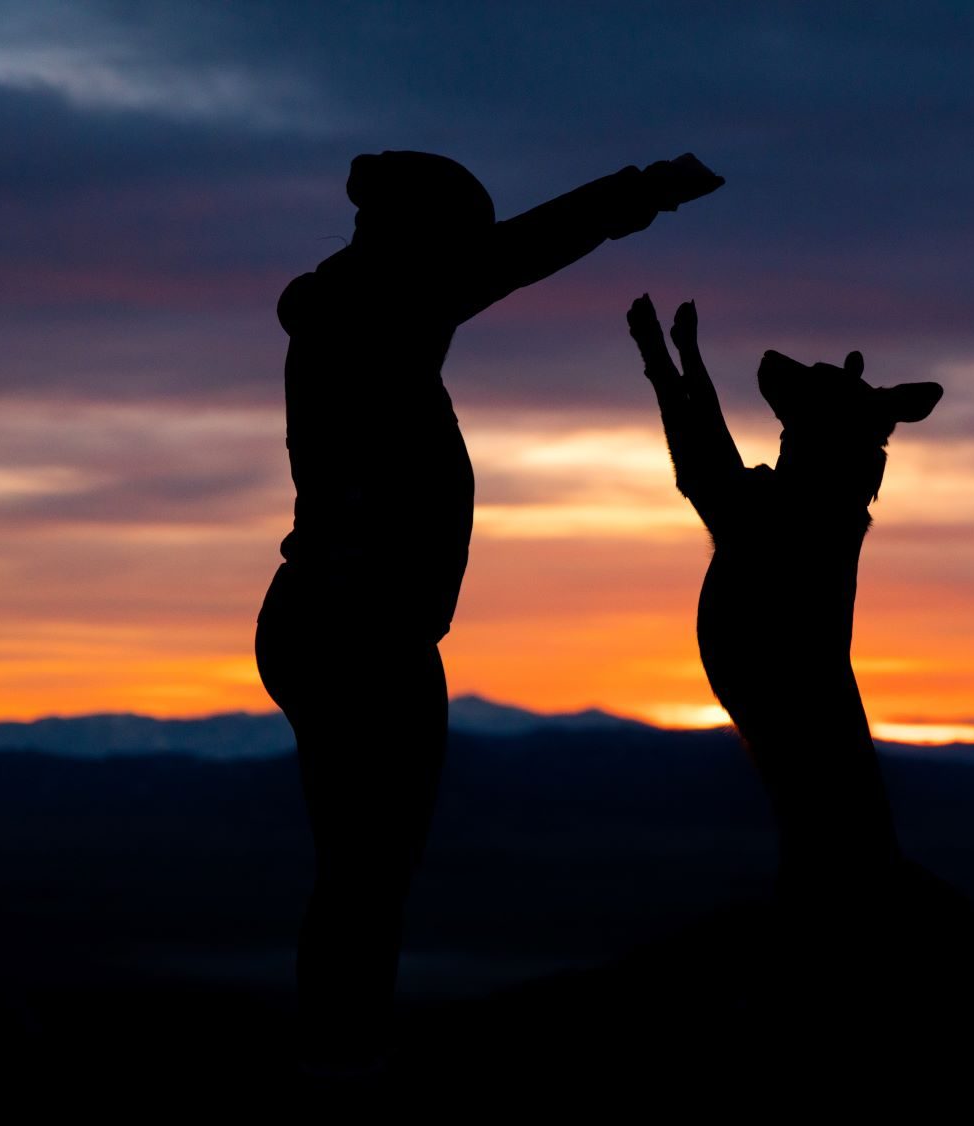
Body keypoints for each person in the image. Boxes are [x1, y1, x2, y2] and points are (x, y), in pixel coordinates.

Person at [255, 150, 724, 1074]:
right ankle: (342, 1058)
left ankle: (338, 1046)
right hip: (360, 626)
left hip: (337, 615)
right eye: (451, 243)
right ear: (414, 237)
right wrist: (640, 193)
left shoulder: (359, 313)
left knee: (362, 872)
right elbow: (526, 249)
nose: (462, 262)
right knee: (368, 875)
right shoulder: (379, 312)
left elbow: (507, 254)